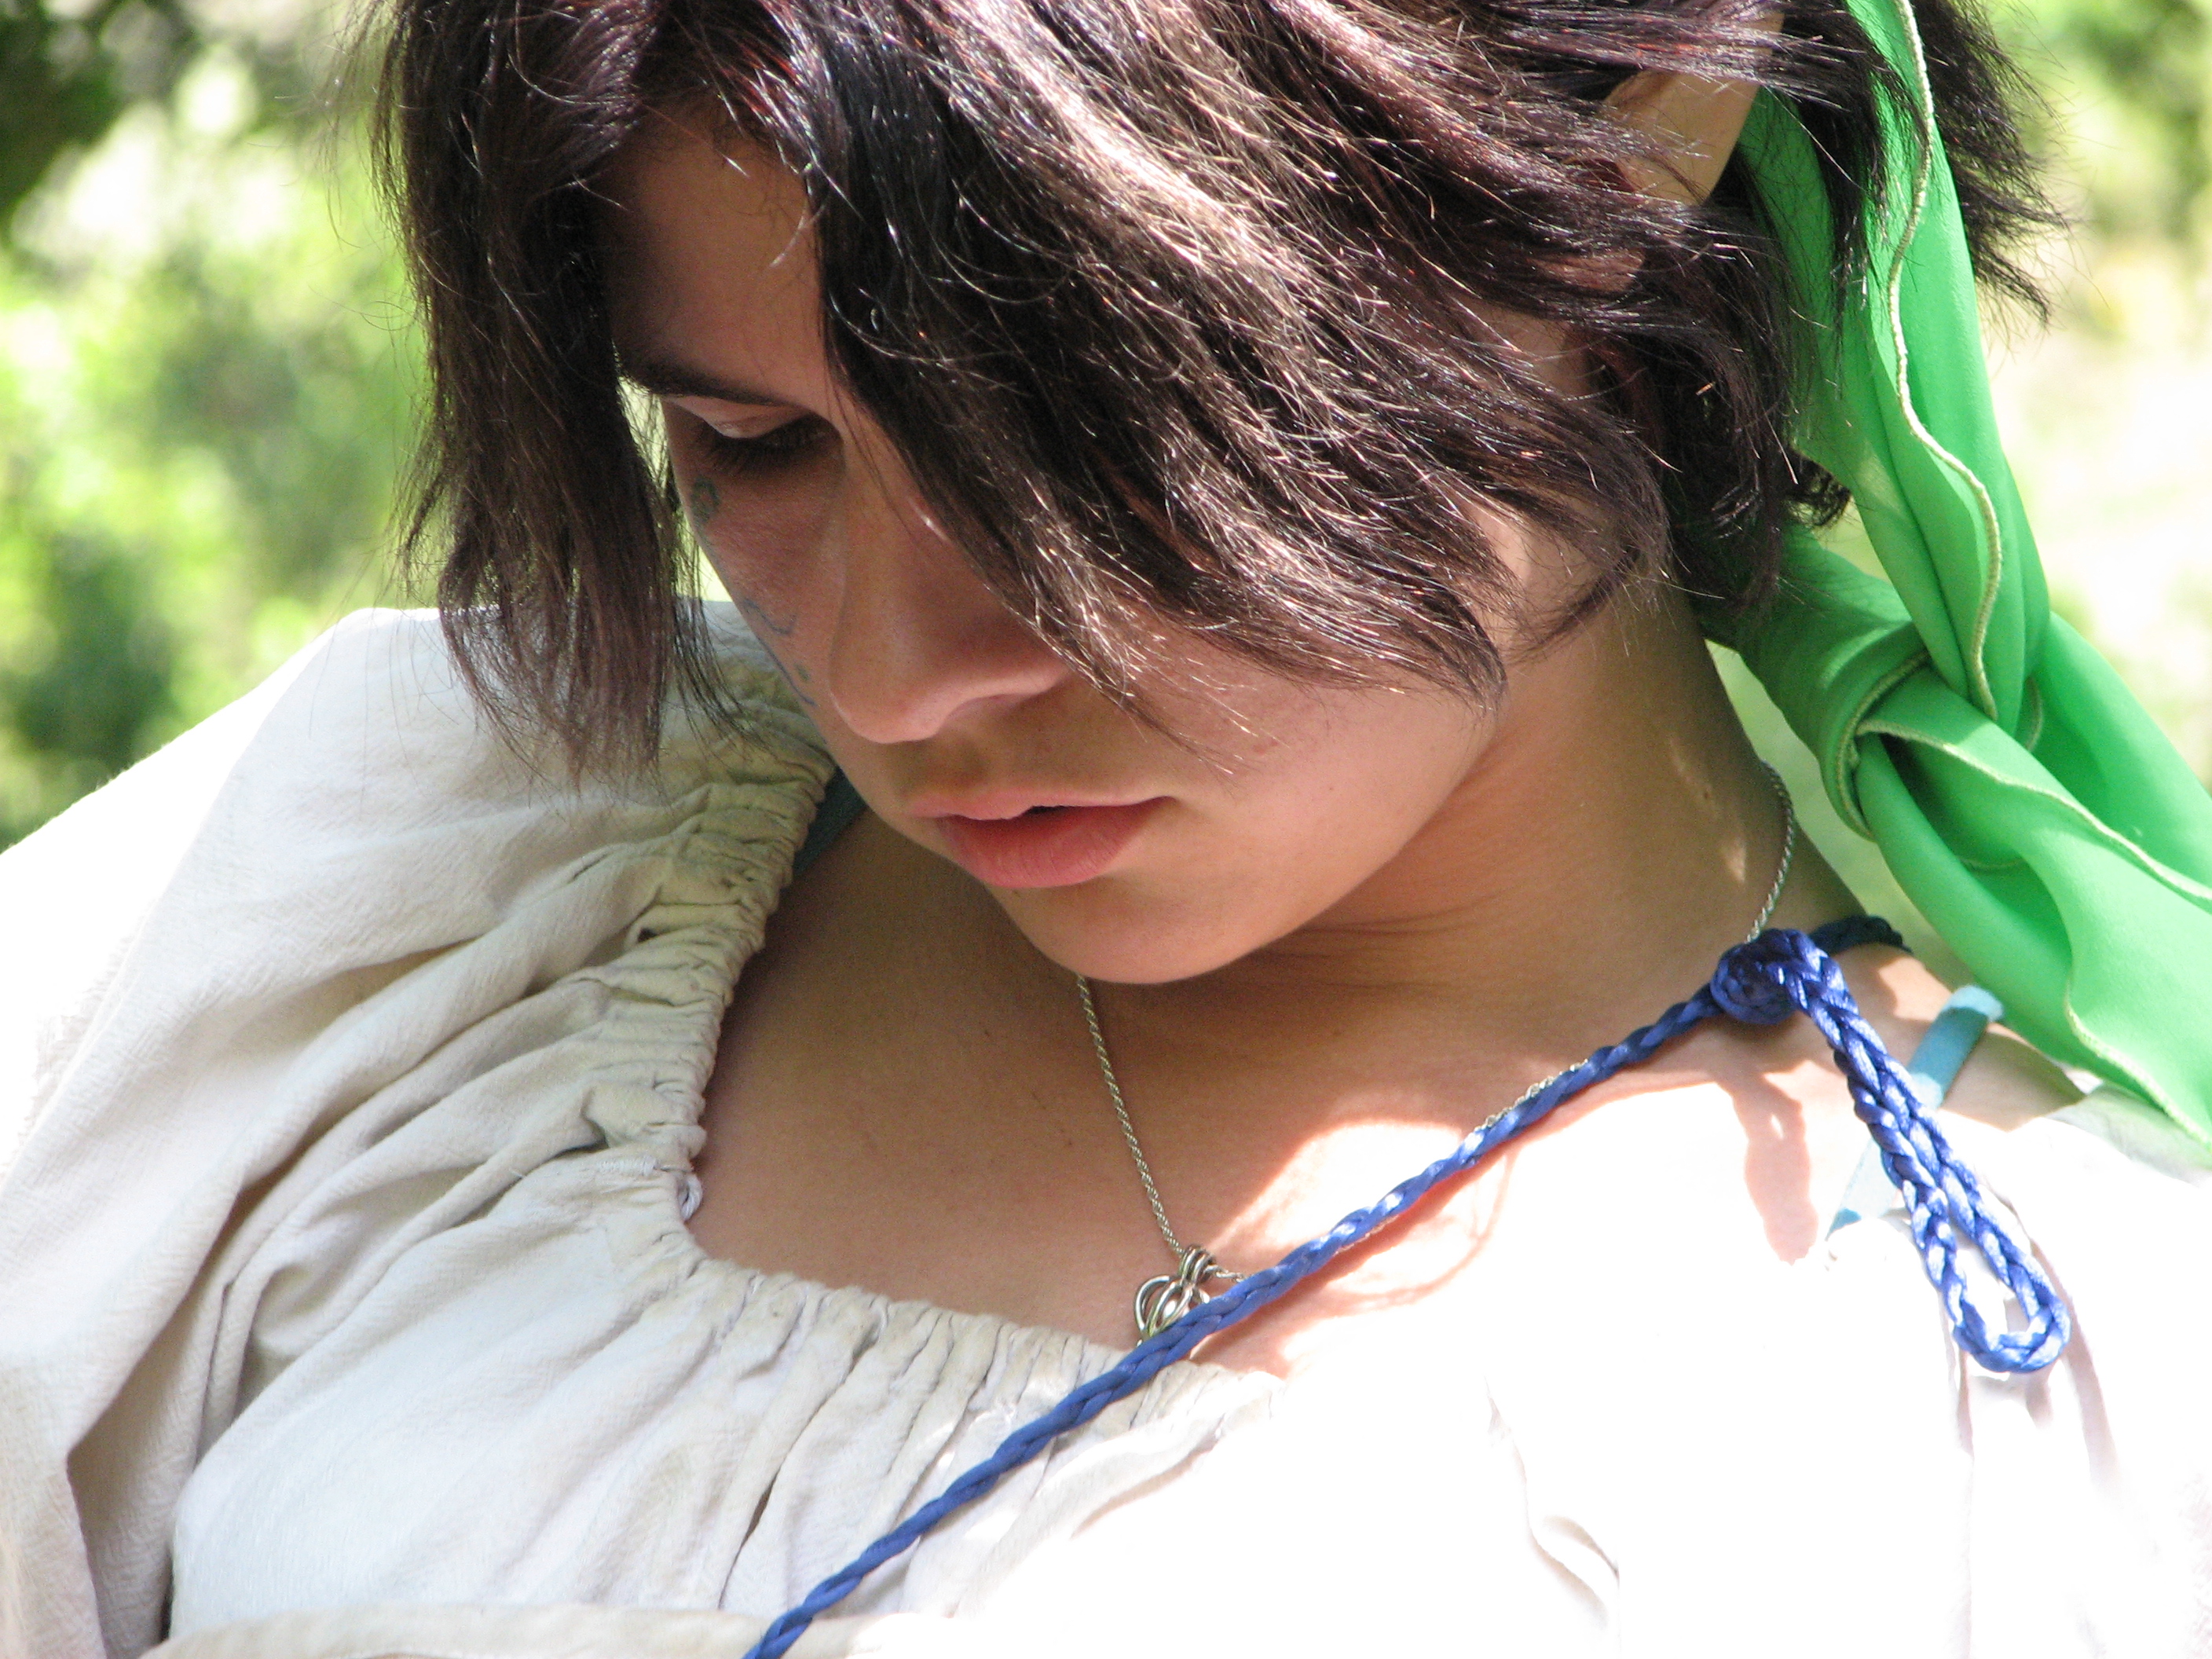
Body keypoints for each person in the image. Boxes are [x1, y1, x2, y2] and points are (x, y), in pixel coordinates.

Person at [5, 0, 2211, 1654]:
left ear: (1644, 127)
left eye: (1085, 444)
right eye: (755, 446)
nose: (900, 673)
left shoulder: (2021, 1398)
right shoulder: (418, 904)